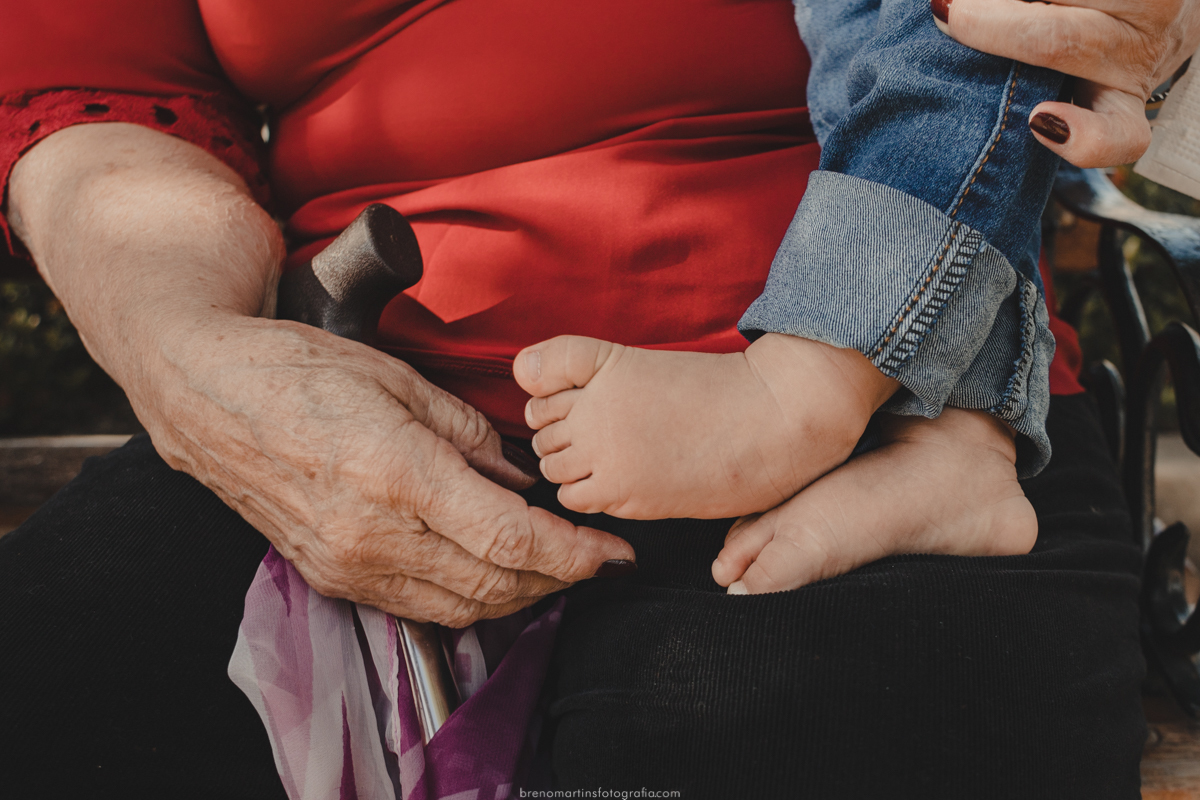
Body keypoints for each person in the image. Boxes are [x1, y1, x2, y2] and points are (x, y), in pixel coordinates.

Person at [0, 0, 1193, 797]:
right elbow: (91, 88)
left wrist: (1169, 47)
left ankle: (896, 413)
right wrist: (191, 352)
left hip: (897, 396)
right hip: (344, 370)